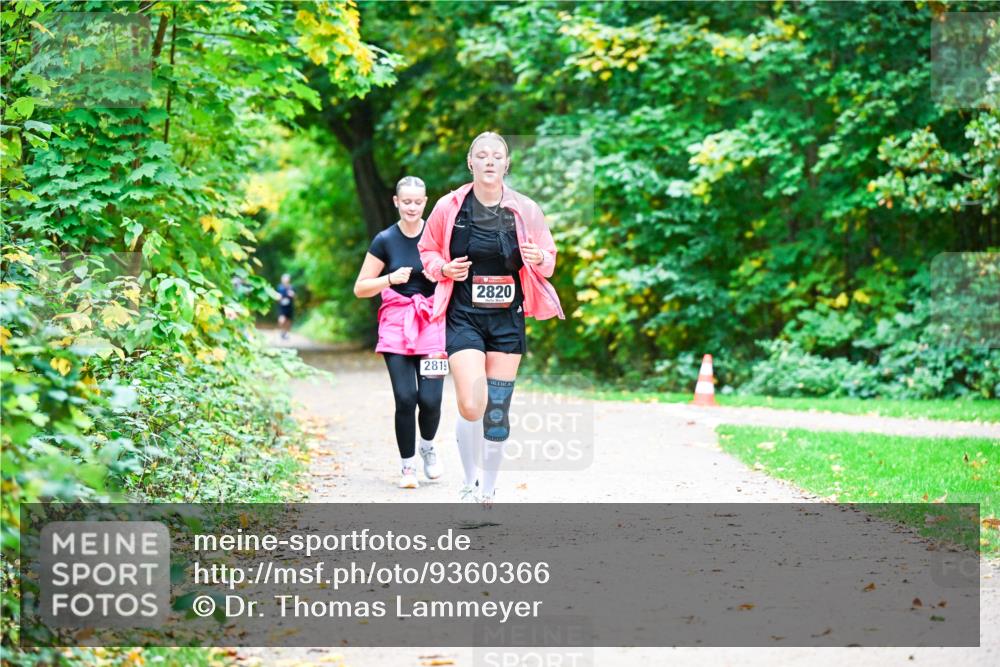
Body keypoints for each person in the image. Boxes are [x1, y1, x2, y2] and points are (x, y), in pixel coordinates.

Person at [418, 132, 564, 507]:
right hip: (463, 314)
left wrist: (537, 259)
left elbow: (549, 258)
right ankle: (468, 482)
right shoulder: (449, 206)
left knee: (496, 410)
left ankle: (487, 490)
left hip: (507, 320)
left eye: (496, 156)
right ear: (470, 163)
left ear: (506, 164)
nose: (489, 161)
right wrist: (444, 267)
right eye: (481, 155)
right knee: (471, 404)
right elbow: (428, 250)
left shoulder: (525, 209)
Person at [354, 176, 445, 489]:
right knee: (406, 398)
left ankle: (428, 447)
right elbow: (361, 287)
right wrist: (390, 279)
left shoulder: (437, 238)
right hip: (396, 324)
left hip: (432, 324)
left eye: (418, 202)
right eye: (406, 201)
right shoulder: (385, 240)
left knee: (431, 401)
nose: (412, 207)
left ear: (425, 202)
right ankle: (408, 467)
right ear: (396, 201)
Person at [276, 273, 295, 340]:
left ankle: (286, 333)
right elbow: (276, 296)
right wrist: (278, 298)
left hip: (289, 306)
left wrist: (292, 295)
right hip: (282, 306)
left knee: (288, 321)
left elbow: (295, 296)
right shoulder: (280, 287)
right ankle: (282, 331)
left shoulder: (291, 287)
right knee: (281, 320)